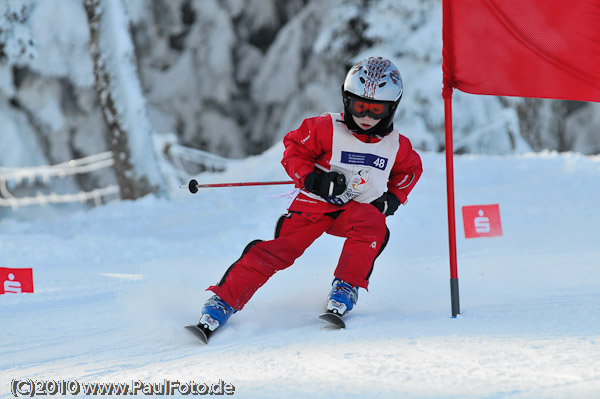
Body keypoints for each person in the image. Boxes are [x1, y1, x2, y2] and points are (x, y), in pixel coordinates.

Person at [196, 56, 423, 335]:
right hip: (314, 207)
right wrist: (313, 179)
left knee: (372, 222)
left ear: (392, 108)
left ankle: (346, 286)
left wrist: (393, 198)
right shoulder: (326, 128)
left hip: (355, 212)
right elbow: (294, 150)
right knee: (281, 251)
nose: (366, 117)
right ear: (346, 99)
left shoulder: (396, 146)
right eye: (359, 106)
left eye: (376, 110)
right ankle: (223, 301)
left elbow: (410, 171)